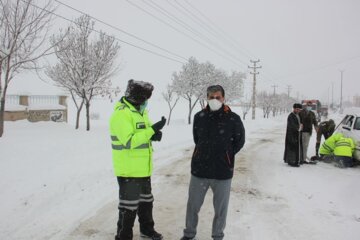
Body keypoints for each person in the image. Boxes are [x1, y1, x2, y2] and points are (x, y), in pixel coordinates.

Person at [180, 85, 245, 240]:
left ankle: (217, 235)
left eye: (218, 97)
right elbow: (197, 139)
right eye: (211, 97)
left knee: (221, 209)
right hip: (199, 171)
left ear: (224, 98)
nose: (214, 100)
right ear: (207, 98)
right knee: (192, 206)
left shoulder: (233, 118)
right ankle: (189, 234)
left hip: (223, 172)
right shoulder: (199, 116)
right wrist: (203, 153)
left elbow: (239, 141)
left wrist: (226, 155)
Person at [110, 79, 166, 240]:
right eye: (145, 98)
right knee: (129, 207)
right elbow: (129, 142)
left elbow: (143, 133)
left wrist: (154, 135)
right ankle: (123, 236)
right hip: (129, 170)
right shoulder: (121, 114)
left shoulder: (140, 112)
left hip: (143, 169)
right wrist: (151, 130)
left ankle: (147, 230)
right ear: (137, 98)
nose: (147, 101)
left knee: (146, 203)